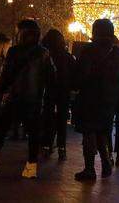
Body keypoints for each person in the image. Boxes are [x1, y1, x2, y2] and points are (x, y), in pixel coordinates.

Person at [0, 19, 54, 179]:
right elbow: (51, 77)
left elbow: (7, 75)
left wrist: (2, 90)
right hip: (34, 99)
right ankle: (31, 167)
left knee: (1, 131)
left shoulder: (14, 51)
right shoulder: (44, 52)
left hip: (14, 97)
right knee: (33, 134)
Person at [73, 19, 119, 182]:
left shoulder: (89, 50)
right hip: (110, 100)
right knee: (102, 132)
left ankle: (89, 169)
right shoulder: (117, 53)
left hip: (90, 98)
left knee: (89, 132)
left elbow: (82, 75)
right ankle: (105, 163)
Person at [41, 28, 74, 162]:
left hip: (49, 91)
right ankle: (62, 148)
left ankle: (47, 144)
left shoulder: (46, 56)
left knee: (48, 118)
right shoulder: (67, 57)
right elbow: (74, 74)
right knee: (61, 120)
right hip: (64, 92)